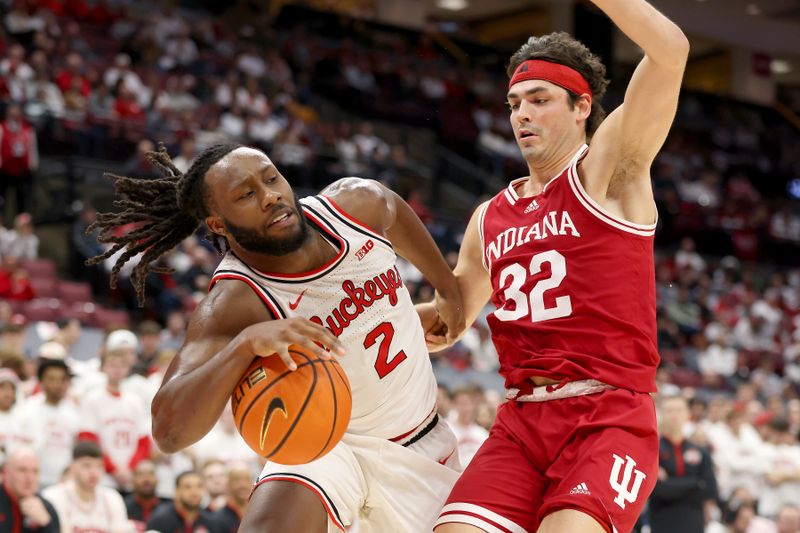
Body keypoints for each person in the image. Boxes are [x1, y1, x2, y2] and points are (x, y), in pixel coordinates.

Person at [87, 142, 464, 532]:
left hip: (421, 443)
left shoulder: (356, 205)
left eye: (271, 178)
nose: (271, 196)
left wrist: (446, 288)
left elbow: (393, 208)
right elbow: (169, 431)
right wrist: (246, 344)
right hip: (328, 445)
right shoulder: (235, 301)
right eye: (246, 194)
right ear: (217, 224)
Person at [424, 1, 689, 532]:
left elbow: (671, 52)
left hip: (607, 417)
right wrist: (347, 320)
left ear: (581, 107)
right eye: (514, 103)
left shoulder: (610, 173)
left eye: (539, 100)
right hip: (521, 422)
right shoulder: (489, 216)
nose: (521, 114)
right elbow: (448, 320)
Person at [649, 395, 718, 533]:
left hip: (694, 522)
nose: (674, 415)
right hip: (662, 521)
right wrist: (695, 484)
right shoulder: (652, 451)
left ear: (687, 414)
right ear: (661, 414)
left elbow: (710, 490)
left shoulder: (701, 451)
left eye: (679, 410)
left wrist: (670, 484)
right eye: (669, 410)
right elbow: (655, 489)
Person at [0, 448, 59, 533]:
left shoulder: (46, 507)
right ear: (6, 472)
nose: (30, 478)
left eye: (35, 471)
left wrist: (46, 523)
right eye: (22, 470)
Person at [146, 471, 222, 533]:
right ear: (176, 491)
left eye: (199, 486)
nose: (194, 492)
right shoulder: (160, 520)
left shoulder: (211, 521)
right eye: (187, 487)